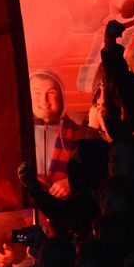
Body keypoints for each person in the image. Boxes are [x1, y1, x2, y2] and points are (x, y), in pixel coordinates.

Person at [29, 70, 88, 198]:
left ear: (61, 97)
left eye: (51, 93)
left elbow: (91, 170)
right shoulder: (17, 135)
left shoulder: (79, 133)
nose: (44, 100)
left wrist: (71, 183)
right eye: (37, 93)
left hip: (66, 207)